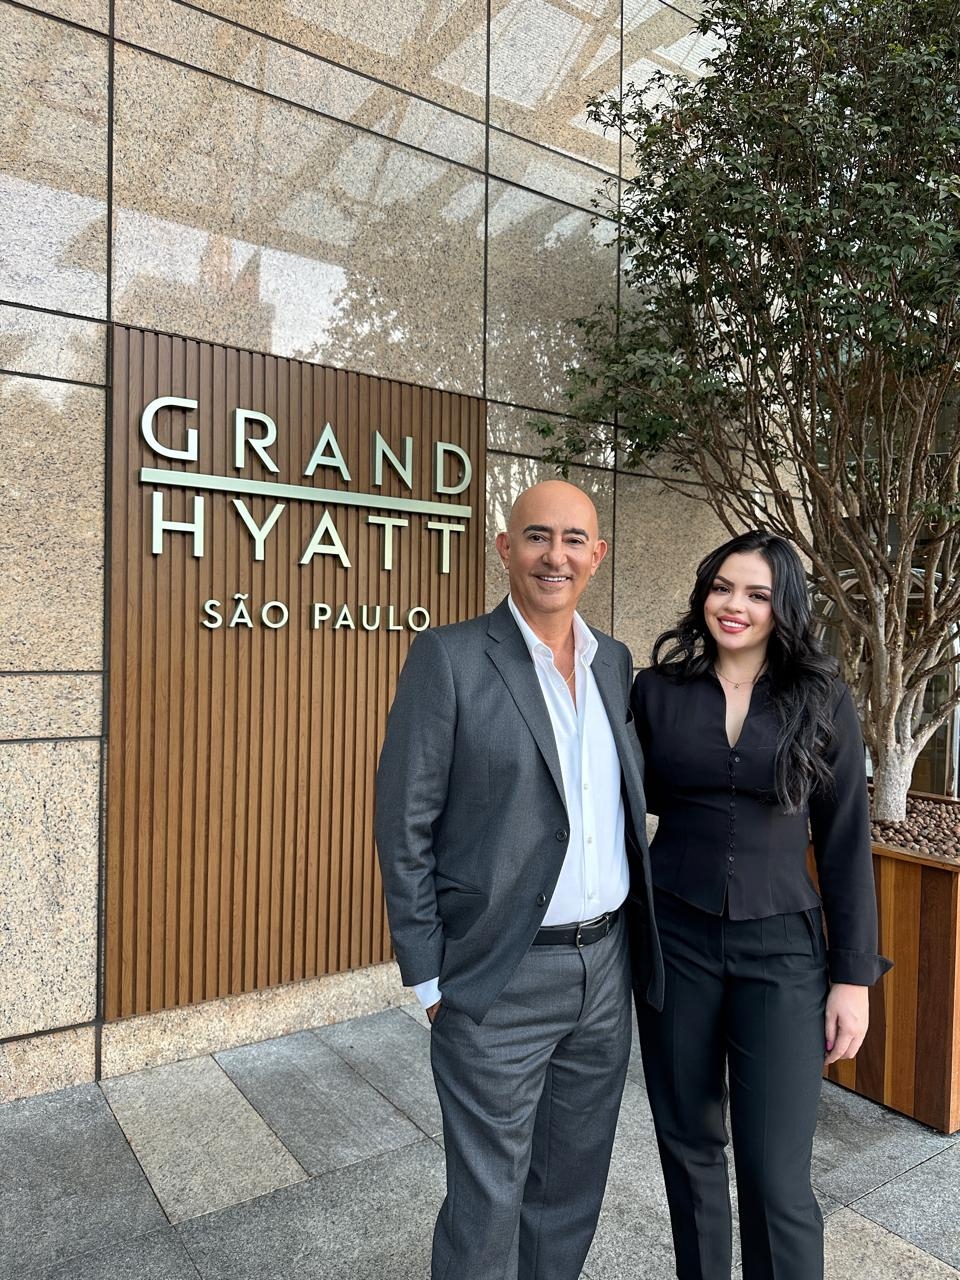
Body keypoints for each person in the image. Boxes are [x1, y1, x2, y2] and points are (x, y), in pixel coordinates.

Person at [375, 479, 663, 1280]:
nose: (554, 556)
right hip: (498, 973)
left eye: (573, 540)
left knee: (570, 1188)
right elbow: (404, 822)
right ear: (505, 548)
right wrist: (429, 975)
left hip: (603, 969)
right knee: (488, 1202)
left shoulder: (615, 664)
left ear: (597, 555)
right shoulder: (450, 658)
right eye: (537, 536)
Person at [629, 530, 891, 1280]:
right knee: (689, 1149)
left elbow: (844, 842)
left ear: (785, 608)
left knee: (777, 1175)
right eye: (722, 587)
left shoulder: (821, 695)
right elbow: (617, 806)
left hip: (783, 951)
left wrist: (852, 978)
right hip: (675, 939)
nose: (734, 605)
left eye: (757, 594)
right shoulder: (656, 691)